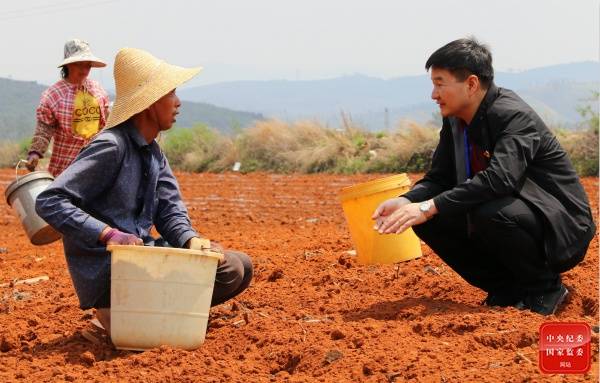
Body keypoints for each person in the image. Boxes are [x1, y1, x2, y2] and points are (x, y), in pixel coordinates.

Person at [36, 47, 253, 333]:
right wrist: (108, 234)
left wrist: (192, 242)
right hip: (111, 272)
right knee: (230, 271)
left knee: (239, 266)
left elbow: (169, 210)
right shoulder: (112, 146)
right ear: (150, 102)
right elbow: (50, 200)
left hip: (142, 261)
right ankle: (119, 317)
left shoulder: (154, 153)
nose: (178, 103)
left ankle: (142, 318)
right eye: (171, 94)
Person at [372, 38, 595, 316]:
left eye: (440, 83)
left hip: (561, 226)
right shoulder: (455, 120)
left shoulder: (513, 116)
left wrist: (428, 207)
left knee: (486, 211)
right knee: (429, 221)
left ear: (471, 84)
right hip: (514, 210)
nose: (433, 94)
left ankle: (545, 288)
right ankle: (507, 289)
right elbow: (440, 178)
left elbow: (500, 179)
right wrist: (407, 200)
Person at [26, 39, 110, 177]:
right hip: (64, 171)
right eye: (79, 65)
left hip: (96, 167)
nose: (84, 70)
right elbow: (44, 130)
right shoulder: (53, 96)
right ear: (69, 65)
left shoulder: (98, 91)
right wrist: (35, 152)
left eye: (87, 65)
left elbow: (107, 124)